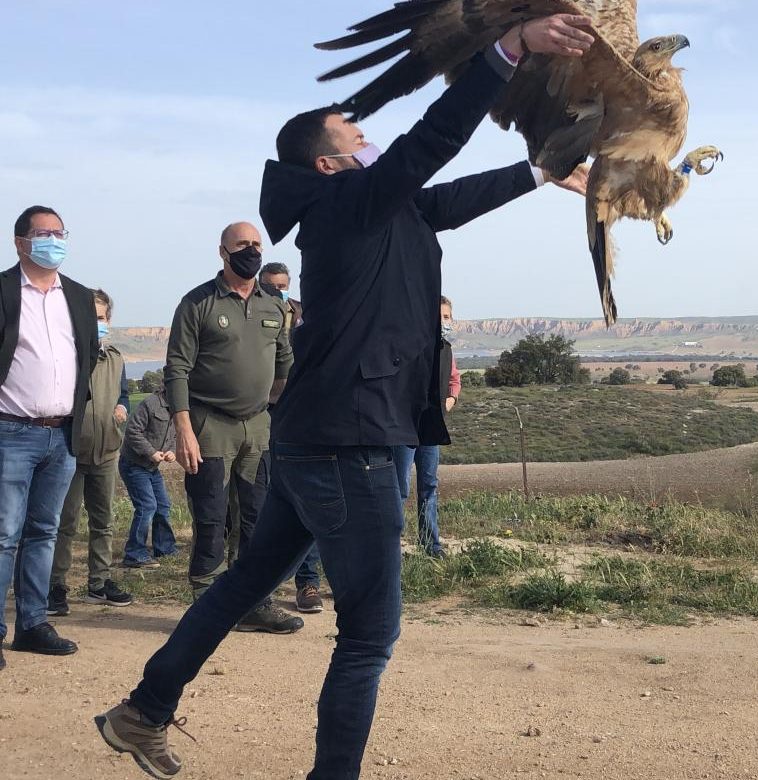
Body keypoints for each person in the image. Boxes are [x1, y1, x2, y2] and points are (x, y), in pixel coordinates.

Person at [96, 15, 593, 777]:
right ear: (328, 167)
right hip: (347, 445)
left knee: (242, 586)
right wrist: (510, 49)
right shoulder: (342, 208)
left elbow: (444, 198)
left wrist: (538, 174)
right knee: (367, 635)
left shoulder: (381, 210)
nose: (366, 141)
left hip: (316, 440)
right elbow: (429, 144)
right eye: (353, 137)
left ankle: (141, 712)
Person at [160, 221, 299, 633]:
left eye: (257, 244)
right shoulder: (198, 302)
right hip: (208, 425)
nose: (252, 251)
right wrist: (183, 430)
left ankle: (256, 601)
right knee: (211, 517)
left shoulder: (274, 305)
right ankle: (207, 603)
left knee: (257, 518)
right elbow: (177, 370)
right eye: (243, 244)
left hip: (257, 426)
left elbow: (286, 367)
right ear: (223, 251)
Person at [0, 206, 98, 670]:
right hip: (10, 431)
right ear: (21, 242)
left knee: (44, 532)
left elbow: (88, 358)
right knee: (4, 534)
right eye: (44, 233)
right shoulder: (2, 291)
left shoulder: (77, 296)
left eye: (60, 233)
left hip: (62, 435)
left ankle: (33, 624)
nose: (54, 240)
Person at [48, 289, 131, 616]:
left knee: (104, 521)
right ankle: (56, 586)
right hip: (71, 451)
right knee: (64, 523)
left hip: (107, 451)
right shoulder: (68, 356)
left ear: (108, 320)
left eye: (101, 318)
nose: (97, 323)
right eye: (91, 317)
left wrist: (122, 408)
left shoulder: (116, 359)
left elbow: (123, 395)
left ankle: (99, 583)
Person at [258, 261, 324, 614]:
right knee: (262, 499)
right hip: (260, 415)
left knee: (307, 500)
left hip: (300, 417)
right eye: (270, 286)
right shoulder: (250, 315)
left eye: (283, 286)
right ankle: (259, 584)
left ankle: (308, 582)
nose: (277, 292)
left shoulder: (304, 316)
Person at [393, 295, 461, 557]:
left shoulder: (446, 349)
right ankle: (392, 547)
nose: (442, 322)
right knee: (399, 487)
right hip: (405, 427)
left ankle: (431, 545)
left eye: (446, 317)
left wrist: (451, 399)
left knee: (429, 485)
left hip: (431, 427)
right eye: (438, 317)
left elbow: (454, 379)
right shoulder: (409, 348)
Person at [119, 386, 179, 568]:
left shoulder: (180, 409)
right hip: (134, 464)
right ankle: (134, 553)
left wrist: (172, 452)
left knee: (162, 505)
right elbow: (132, 432)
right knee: (147, 506)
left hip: (152, 468)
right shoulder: (150, 404)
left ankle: (164, 548)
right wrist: (151, 452)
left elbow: (176, 436)